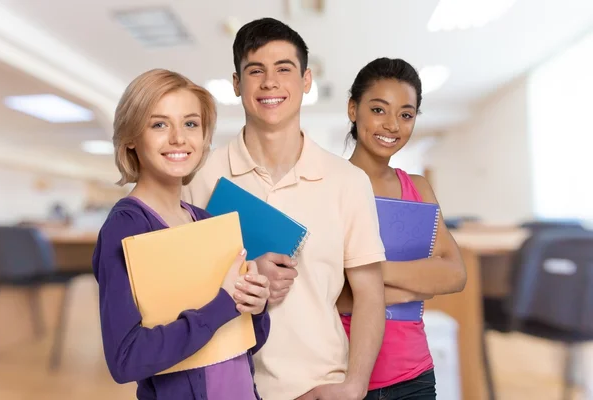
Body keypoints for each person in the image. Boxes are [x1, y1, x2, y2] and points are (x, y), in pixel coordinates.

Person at [183, 18, 386, 400]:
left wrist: (355, 386)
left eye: (284, 69)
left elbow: (370, 293)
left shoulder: (348, 181)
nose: (269, 82)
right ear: (236, 84)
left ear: (306, 81)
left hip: (320, 383)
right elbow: (181, 289)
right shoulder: (199, 177)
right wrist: (245, 273)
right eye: (255, 70)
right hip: (225, 385)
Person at [92, 69, 271, 400]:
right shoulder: (127, 227)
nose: (178, 138)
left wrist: (256, 307)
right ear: (131, 137)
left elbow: (243, 342)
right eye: (159, 124)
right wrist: (223, 303)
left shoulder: (205, 220)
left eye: (190, 124)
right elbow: (125, 360)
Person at [337, 58, 467, 400]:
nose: (392, 125)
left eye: (406, 114)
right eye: (379, 109)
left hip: (414, 375)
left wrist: (368, 273)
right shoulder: (327, 184)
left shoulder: (419, 188)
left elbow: (454, 273)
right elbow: (323, 292)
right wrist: (413, 286)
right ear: (354, 109)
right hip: (340, 374)